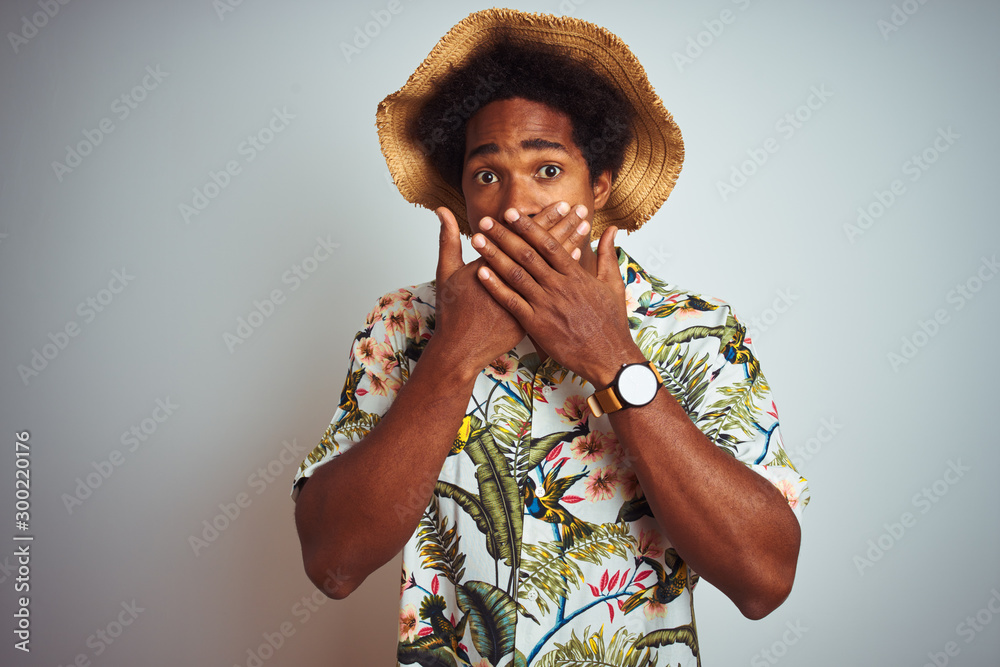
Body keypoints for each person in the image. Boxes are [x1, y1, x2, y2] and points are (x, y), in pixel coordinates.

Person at [292, 9, 809, 666]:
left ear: (598, 185)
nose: (515, 204)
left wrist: (611, 355)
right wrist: (452, 354)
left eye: (546, 170)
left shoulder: (695, 327)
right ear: (465, 194)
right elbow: (333, 563)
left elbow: (763, 579)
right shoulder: (402, 323)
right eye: (487, 174)